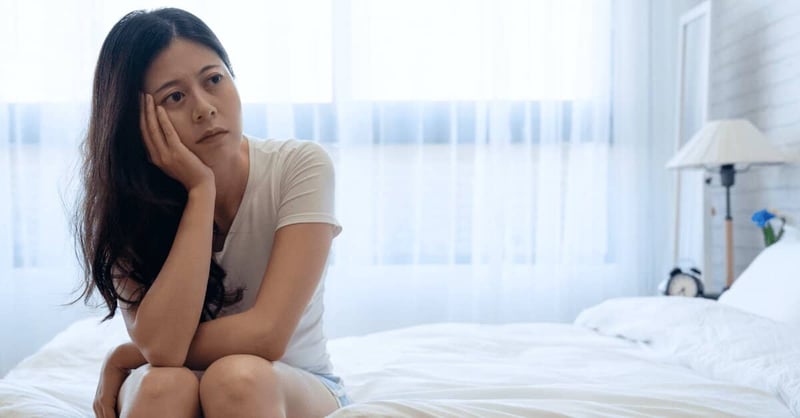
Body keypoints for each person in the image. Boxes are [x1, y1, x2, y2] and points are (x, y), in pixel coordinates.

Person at [75, 7, 349, 418]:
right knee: (161, 385)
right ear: (136, 122)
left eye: (214, 79)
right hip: (176, 384)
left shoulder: (301, 166)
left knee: (236, 378)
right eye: (175, 97)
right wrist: (200, 193)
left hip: (286, 385)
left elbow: (268, 335)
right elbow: (164, 354)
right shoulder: (126, 204)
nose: (204, 108)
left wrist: (128, 353)